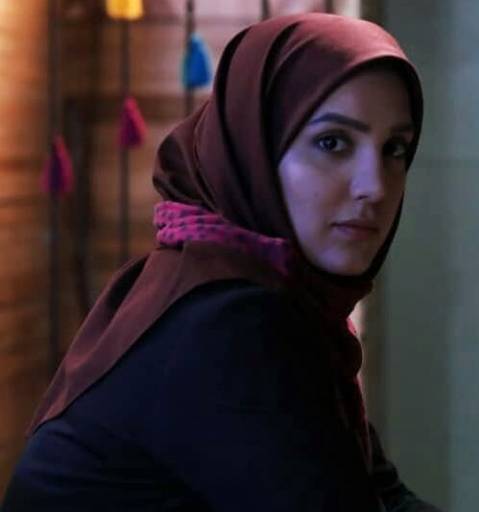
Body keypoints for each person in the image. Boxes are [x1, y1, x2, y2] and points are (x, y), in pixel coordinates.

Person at [1, 12, 440, 512]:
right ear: (254, 149)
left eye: (394, 149)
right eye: (332, 143)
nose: (375, 186)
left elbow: (383, 493)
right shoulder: (227, 321)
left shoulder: (259, 294)